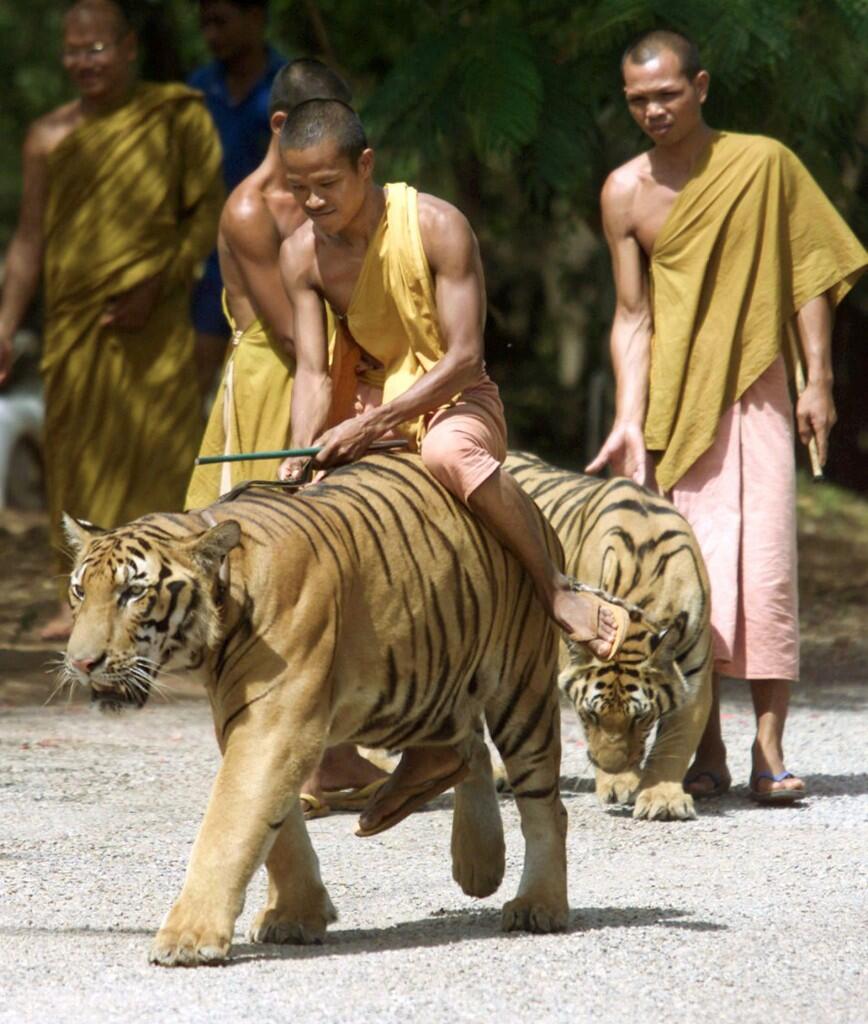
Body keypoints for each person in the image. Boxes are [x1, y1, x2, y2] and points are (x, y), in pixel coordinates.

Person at [276, 99, 629, 835]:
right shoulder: (300, 254)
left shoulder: (436, 227)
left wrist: (375, 421)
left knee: (445, 452)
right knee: (322, 517)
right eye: (298, 187)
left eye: (327, 186)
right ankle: (418, 739)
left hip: (455, 403)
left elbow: (465, 355)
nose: (312, 203)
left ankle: (554, 587)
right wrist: (304, 450)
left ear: (365, 167)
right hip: (365, 407)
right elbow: (313, 371)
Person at [587, 30, 866, 802]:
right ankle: (701, 747)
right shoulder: (623, 191)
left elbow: (811, 272)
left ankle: (768, 749)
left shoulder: (765, 164)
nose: (653, 111)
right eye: (638, 99)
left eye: (667, 94)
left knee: (768, 565)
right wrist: (627, 416)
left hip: (759, 385)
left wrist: (820, 381)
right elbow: (631, 316)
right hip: (678, 402)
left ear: (701, 87)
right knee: (690, 577)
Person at [0, 0, 223, 640]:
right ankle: (74, 601)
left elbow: (206, 215)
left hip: (156, 322)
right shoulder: (46, 137)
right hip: (77, 328)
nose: (83, 61)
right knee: (73, 461)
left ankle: (168, 597)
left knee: (160, 453)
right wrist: (7, 321)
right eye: (73, 50)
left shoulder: (176, 117)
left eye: (96, 48)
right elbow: (28, 239)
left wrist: (162, 281)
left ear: (129, 48)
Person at [188, 0, 286, 395]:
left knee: (267, 372)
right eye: (205, 24)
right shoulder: (196, 91)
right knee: (193, 379)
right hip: (209, 259)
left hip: (275, 254)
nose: (212, 34)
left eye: (221, 22)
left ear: (256, 17)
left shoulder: (287, 87)